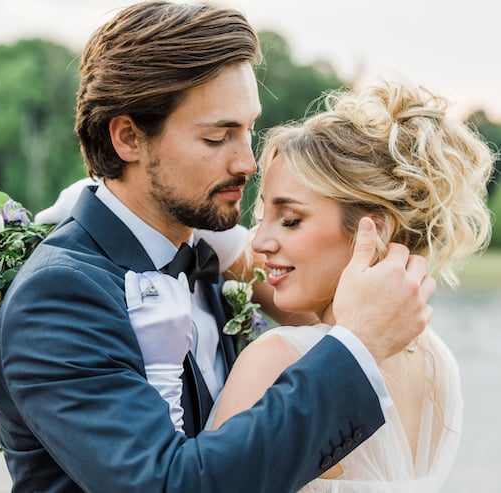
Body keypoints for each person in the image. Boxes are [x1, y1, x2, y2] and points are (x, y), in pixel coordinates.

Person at [0, 2, 435, 492]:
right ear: (128, 138)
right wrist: (358, 347)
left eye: (247, 130)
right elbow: (167, 484)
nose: (247, 162)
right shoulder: (58, 294)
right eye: (218, 136)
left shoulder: (214, 258)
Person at [201, 79, 493, 492]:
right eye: (262, 214)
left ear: (372, 232)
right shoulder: (437, 363)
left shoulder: (278, 359)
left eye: (290, 220)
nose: (261, 241)